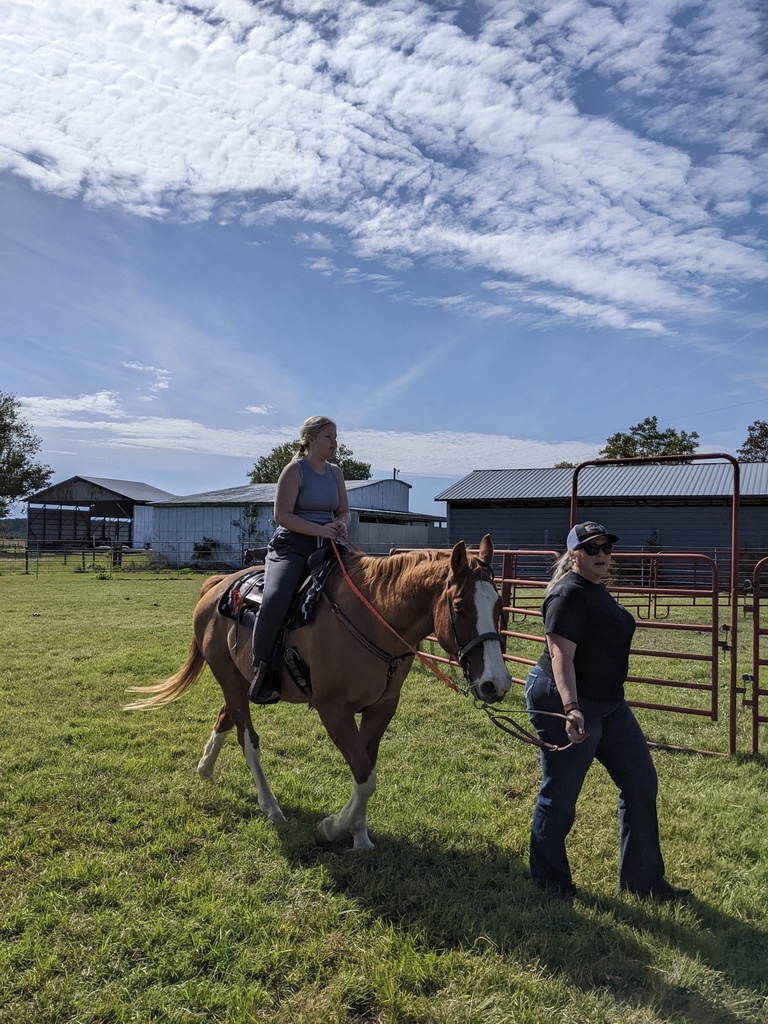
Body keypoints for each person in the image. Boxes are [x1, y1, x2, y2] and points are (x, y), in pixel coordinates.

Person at [524, 521, 689, 902]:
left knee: (640, 781)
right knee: (561, 793)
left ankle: (643, 881)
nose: (602, 555)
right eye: (592, 548)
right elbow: (560, 656)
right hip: (566, 701)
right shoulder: (566, 595)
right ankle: (550, 885)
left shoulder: (595, 590)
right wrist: (571, 707)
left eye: (606, 549)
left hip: (609, 703)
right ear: (573, 555)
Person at [248, 416, 351, 705]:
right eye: (329, 437)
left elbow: (343, 511)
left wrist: (341, 524)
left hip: (328, 544)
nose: (335, 442)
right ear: (310, 438)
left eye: (335, 436)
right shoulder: (295, 471)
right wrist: (319, 528)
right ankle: (262, 668)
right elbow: (282, 515)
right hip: (292, 546)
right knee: (278, 596)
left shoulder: (336, 473)